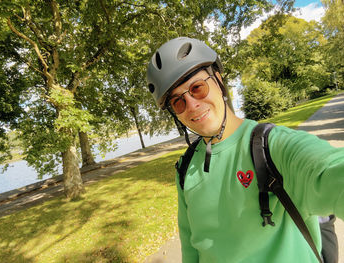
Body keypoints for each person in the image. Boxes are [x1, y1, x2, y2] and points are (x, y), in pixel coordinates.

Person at [146, 37, 344, 263]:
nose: (192, 105)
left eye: (197, 88)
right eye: (178, 102)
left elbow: (328, 170)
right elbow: (191, 247)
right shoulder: (185, 169)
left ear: (218, 80)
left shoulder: (272, 146)